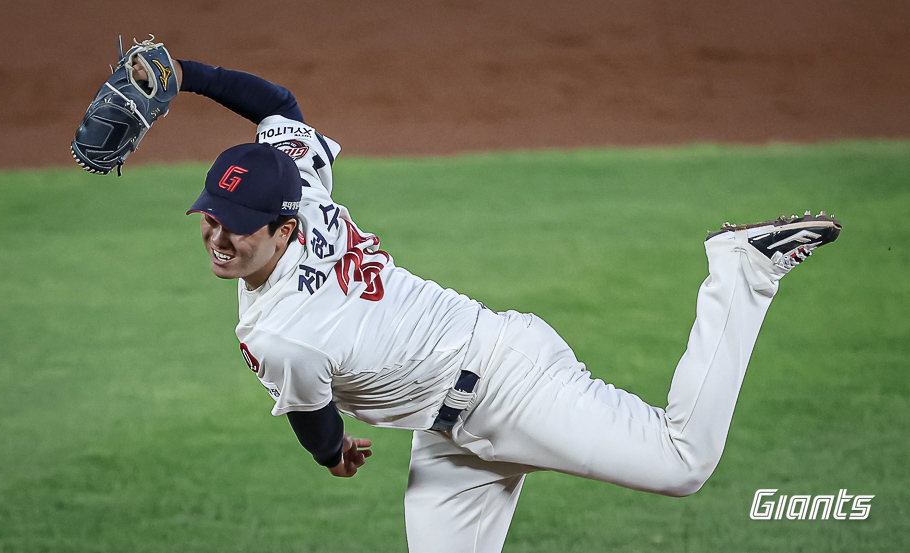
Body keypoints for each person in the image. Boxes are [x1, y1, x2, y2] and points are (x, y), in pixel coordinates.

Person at [144, 56, 841, 552]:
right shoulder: (302, 186)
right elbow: (280, 107)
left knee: (682, 460)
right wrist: (188, 75)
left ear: (283, 226)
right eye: (209, 215)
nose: (216, 234)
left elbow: (318, 428)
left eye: (235, 222)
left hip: (508, 382)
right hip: (448, 437)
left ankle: (743, 268)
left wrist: (333, 458)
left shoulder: (277, 334)